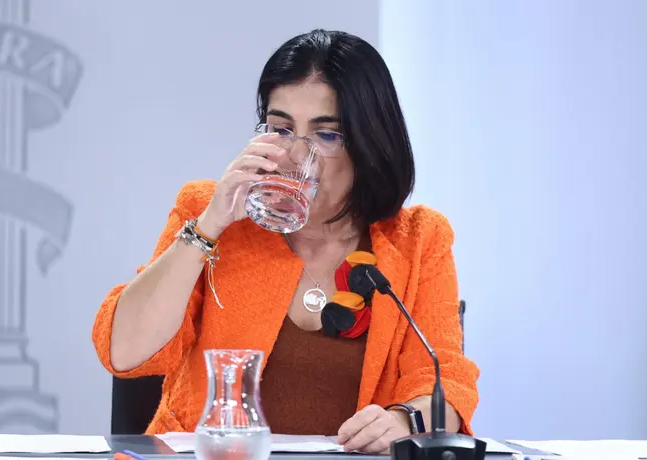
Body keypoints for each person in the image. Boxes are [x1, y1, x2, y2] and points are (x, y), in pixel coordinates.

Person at [91, 29, 479, 454]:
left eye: (326, 135)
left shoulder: (418, 239)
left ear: (370, 143)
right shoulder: (209, 214)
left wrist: (406, 419)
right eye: (281, 129)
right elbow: (123, 352)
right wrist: (209, 224)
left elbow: (446, 381)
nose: (295, 155)